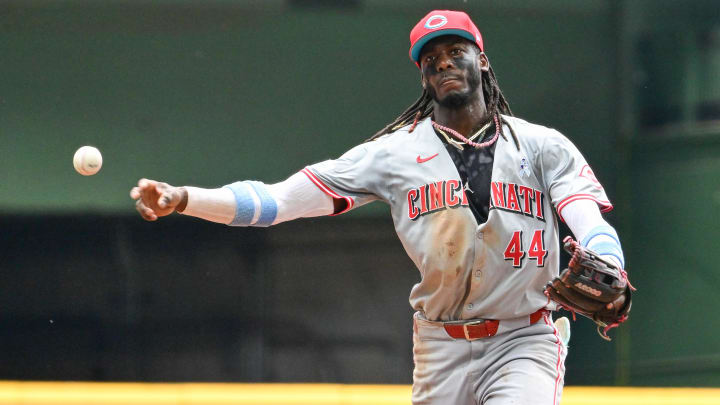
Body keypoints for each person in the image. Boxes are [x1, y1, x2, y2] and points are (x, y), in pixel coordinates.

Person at [130, 10, 627, 405]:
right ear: (423, 75)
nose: (445, 62)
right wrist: (185, 199)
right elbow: (277, 201)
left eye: (457, 51)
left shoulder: (542, 146)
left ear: (483, 60)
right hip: (441, 344)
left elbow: (586, 217)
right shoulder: (393, 155)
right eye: (431, 59)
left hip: (524, 337)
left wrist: (610, 264)